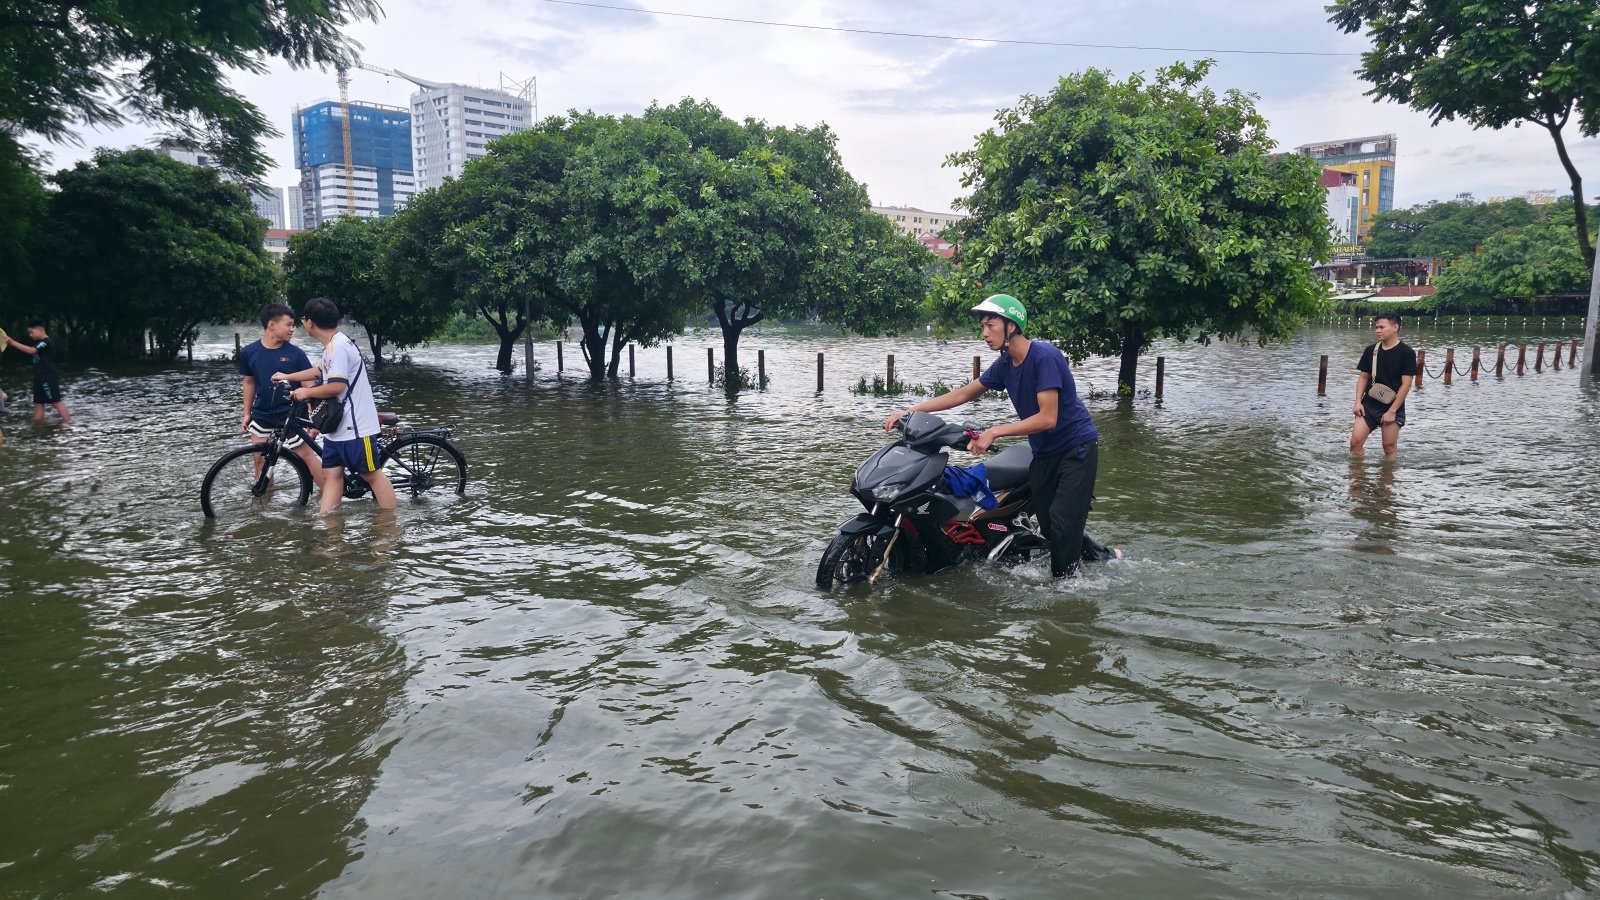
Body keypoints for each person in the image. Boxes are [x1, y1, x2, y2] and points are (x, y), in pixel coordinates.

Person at [884, 294, 1121, 578]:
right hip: (1043, 453)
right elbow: (963, 394)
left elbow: (1048, 418)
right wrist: (910, 411)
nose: (985, 333)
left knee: (1060, 526)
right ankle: (1102, 555)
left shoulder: (1044, 357)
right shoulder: (1005, 363)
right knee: (1050, 527)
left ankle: (1066, 593)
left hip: (1076, 450)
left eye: (991, 325)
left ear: (1011, 326)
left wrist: (994, 431)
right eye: (982, 326)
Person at [271, 297, 396, 514]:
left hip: (355, 428)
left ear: (309, 322)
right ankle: (328, 527)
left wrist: (306, 392)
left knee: (371, 474)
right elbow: (319, 371)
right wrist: (288, 375)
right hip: (337, 427)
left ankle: (390, 525)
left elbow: (336, 386)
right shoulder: (332, 345)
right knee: (332, 475)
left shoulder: (337, 346)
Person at [238, 302, 321, 484]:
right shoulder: (250, 352)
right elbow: (249, 382)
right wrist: (246, 413)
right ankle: (264, 506)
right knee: (260, 460)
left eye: (293, 325)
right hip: (262, 414)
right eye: (289, 325)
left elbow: (310, 387)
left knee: (306, 456)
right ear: (271, 325)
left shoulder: (296, 354)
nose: (292, 329)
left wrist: (314, 418)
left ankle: (330, 497)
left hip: (293, 413)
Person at [1350, 311, 1416, 460]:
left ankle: (1387, 481)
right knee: (1355, 443)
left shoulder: (1407, 353)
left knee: (1389, 447)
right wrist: (1357, 402)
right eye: (1376, 327)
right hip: (1369, 404)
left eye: (1382, 327)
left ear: (1395, 327)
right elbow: (1363, 378)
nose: (1378, 331)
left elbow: (1406, 385)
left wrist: (1392, 411)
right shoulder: (1370, 351)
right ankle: (1357, 480)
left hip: (1393, 406)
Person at [3, 322, 72, 423]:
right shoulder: (39, 342)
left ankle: (67, 423)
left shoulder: (46, 342)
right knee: (38, 403)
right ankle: (38, 426)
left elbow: (32, 351)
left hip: (48, 375)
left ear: (40, 330)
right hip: (39, 376)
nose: (30, 335)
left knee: (55, 402)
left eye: (32, 332)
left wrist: (12, 342)